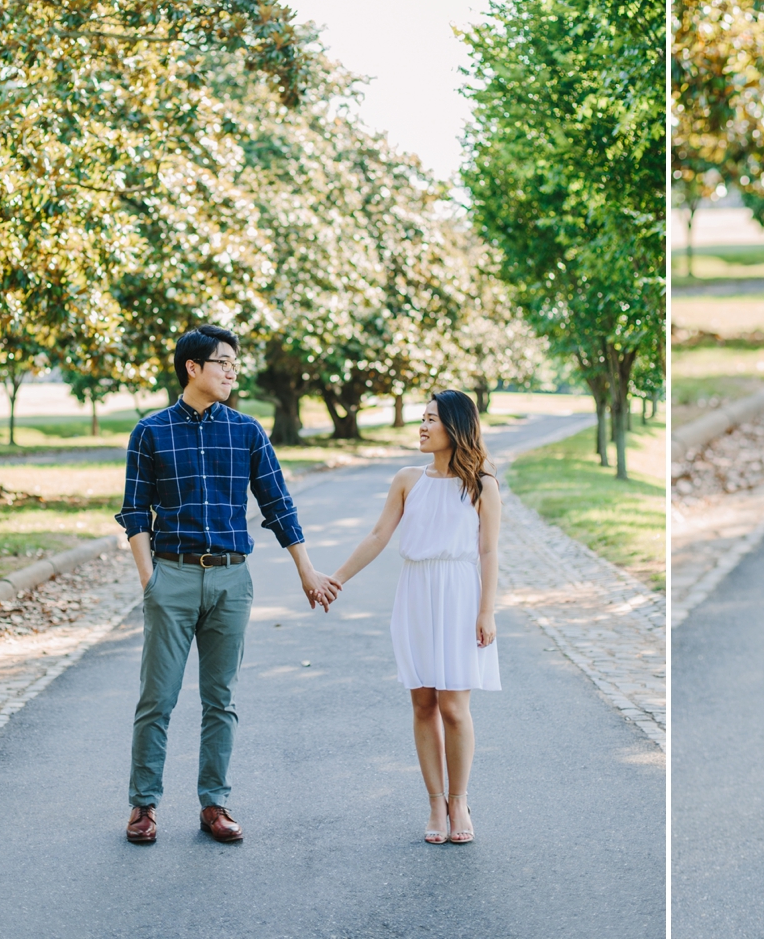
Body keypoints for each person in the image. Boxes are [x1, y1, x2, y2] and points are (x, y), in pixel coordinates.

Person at [116, 324, 341, 846]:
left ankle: (213, 803)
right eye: (222, 362)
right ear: (192, 368)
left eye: (235, 363)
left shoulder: (247, 431)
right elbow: (134, 512)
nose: (232, 371)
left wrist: (305, 569)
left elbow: (277, 503)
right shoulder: (150, 432)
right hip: (171, 574)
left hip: (232, 578)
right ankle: (144, 805)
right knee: (158, 698)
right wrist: (151, 580)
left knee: (222, 698)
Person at [330, 389, 501, 844]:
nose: (422, 427)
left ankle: (460, 800)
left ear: (457, 428)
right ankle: (435, 804)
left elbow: (488, 551)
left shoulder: (482, 484)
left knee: (454, 706)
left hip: (461, 595)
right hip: (416, 594)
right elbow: (378, 535)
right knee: (423, 702)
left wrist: (487, 610)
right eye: (421, 419)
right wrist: (337, 578)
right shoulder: (407, 479)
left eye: (431, 420)